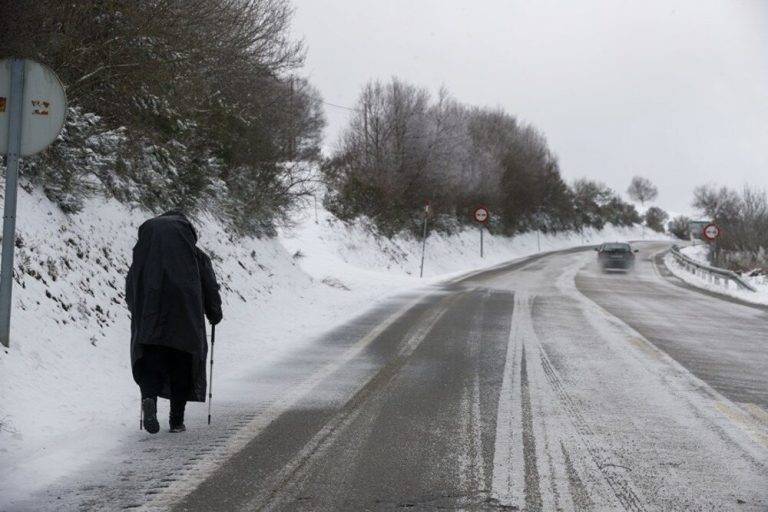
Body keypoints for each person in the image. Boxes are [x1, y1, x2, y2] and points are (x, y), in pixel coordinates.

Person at [126, 210, 222, 434]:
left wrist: (138, 312)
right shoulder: (195, 256)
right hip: (184, 323)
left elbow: (131, 289)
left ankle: (149, 398)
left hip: (149, 323)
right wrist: (214, 312)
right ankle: (176, 420)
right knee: (182, 368)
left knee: (151, 365)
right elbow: (209, 286)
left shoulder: (143, 259)